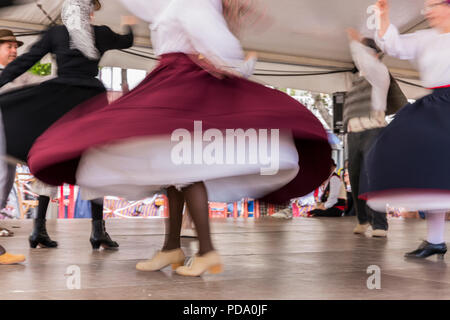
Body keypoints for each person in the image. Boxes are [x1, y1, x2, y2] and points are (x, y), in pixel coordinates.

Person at [28, 0, 332, 276]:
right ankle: (171, 247)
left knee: (185, 170)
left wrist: (229, 56)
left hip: (184, 82)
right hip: (170, 79)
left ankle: (208, 251)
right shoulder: (175, 5)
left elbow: (220, 46)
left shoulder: (193, 3)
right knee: (172, 170)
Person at [0, 0, 133, 250]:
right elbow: (127, 42)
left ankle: (39, 228)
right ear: (90, 12)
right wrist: (129, 26)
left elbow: (25, 61)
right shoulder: (101, 33)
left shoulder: (57, 33)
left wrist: (1, 82)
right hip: (90, 103)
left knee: (51, 156)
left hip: (58, 101)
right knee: (94, 162)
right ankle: (97, 230)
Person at [363, 0, 450, 258]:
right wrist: (383, 16)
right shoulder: (426, 38)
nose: (428, 11)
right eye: (426, 7)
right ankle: (435, 241)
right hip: (437, 105)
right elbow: (394, 45)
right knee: (433, 172)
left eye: (434, 5)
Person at [344, 27, 407, 238]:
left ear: (375, 54)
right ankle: (362, 220)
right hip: (354, 133)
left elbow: (365, 61)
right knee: (354, 176)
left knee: (373, 178)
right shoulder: (357, 80)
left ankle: (380, 223)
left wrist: (355, 42)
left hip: (373, 131)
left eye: (365, 51)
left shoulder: (379, 71)